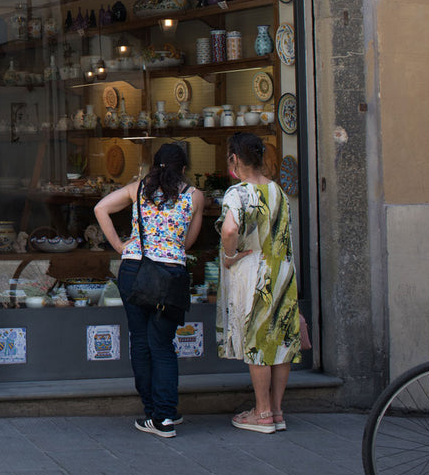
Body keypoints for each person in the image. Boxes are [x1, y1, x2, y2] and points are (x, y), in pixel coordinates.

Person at [93, 142, 204, 438]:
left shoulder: (137, 188)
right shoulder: (194, 196)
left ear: (156, 166)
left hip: (134, 269)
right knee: (163, 345)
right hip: (169, 273)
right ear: (183, 168)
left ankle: (151, 412)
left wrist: (120, 246)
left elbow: (100, 207)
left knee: (140, 342)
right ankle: (165, 416)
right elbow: (188, 242)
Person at [217, 132, 302, 434]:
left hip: (255, 273)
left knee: (258, 344)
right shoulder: (277, 190)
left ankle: (262, 412)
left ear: (235, 159)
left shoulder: (237, 193)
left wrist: (230, 255)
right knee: (279, 342)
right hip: (283, 272)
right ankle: (276, 410)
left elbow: (229, 229)